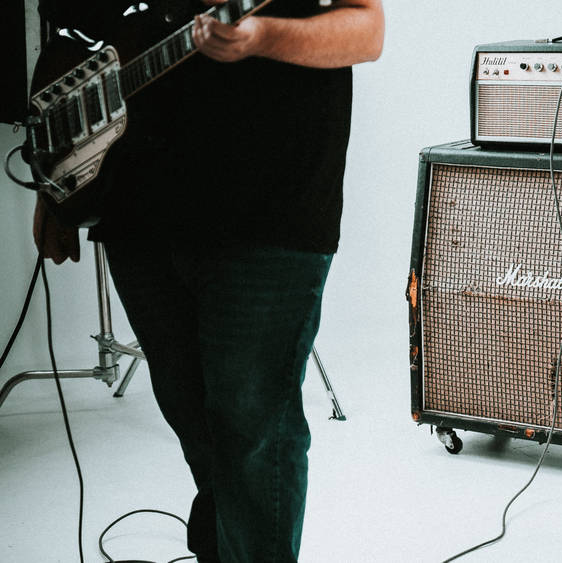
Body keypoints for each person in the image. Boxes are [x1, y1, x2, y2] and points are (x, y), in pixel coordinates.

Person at [32, 1, 384, 561]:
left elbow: (366, 29)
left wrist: (264, 37)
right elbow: (76, 32)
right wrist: (58, 174)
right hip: (137, 210)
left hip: (269, 205)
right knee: (191, 413)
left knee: (252, 428)